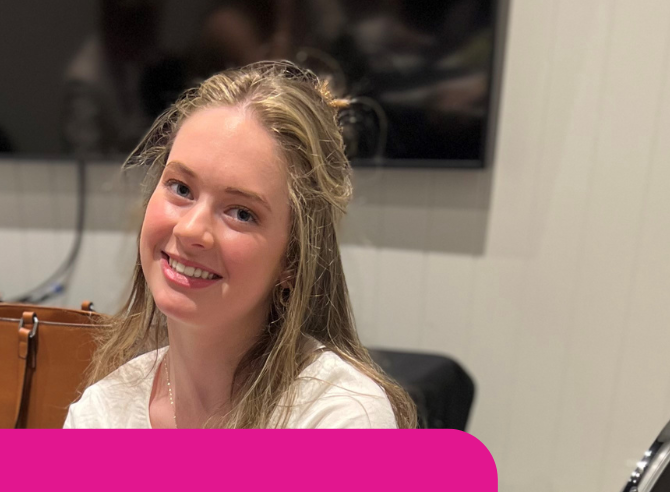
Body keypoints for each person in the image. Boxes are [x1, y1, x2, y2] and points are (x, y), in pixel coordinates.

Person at [64, 61, 415, 429]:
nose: (191, 230)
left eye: (241, 213)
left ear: (293, 259)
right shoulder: (99, 412)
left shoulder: (343, 416)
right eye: (181, 188)